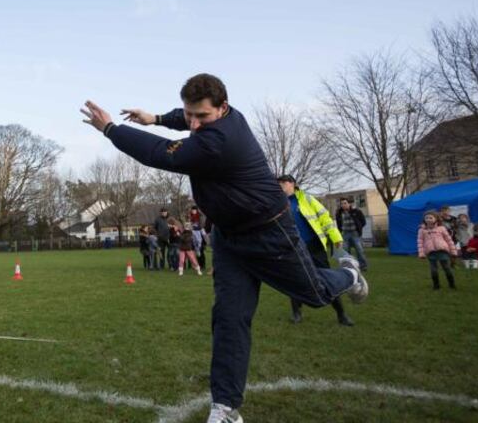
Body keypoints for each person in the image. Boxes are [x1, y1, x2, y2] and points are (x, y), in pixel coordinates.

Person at [82, 73, 367, 423]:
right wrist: (156, 118)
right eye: (191, 115)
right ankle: (226, 407)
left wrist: (110, 129)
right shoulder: (214, 119)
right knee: (229, 319)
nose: (194, 124)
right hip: (229, 239)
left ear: (223, 108)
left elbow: (160, 154)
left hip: (268, 233)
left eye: (202, 117)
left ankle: (350, 274)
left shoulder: (218, 141)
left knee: (317, 293)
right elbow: (183, 117)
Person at [278, 175, 354, 327]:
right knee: (294, 280)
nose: (280, 186)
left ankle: (341, 314)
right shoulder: (279, 204)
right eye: (278, 184)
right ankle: (297, 314)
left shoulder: (307, 199)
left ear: (292, 183)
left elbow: (325, 218)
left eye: (283, 183)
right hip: (294, 248)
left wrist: (336, 237)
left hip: (314, 246)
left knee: (327, 278)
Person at [417, 210, 457, 290]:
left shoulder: (441, 228)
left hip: (442, 251)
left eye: (430, 218)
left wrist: (453, 251)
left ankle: (452, 284)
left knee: (446, 268)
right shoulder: (422, 230)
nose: (428, 219)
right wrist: (421, 253)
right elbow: (420, 242)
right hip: (431, 252)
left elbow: (449, 240)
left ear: (436, 219)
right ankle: (436, 285)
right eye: (426, 218)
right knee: (433, 270)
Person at [335, 197, 368, 272]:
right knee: (346, 251)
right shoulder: (339, 213)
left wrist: (358, 228)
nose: (343, 205)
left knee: (359, 250)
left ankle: (363, 266)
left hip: (355, 233)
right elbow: (338, 224)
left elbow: (363, 222)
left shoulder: (356, 211)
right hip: (345, 234)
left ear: (349, 204)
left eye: (345, 203)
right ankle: (348, 267)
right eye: (341, 204)